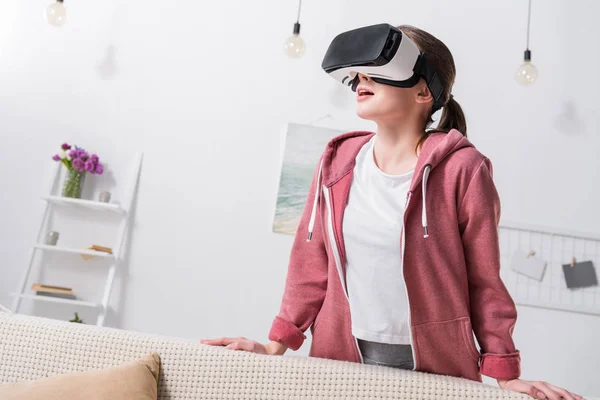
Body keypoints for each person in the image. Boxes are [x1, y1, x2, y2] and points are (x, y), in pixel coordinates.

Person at [203, 25, 582, 400]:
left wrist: (505, 372)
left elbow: (483, 280)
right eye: (360, 73)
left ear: (422, 91)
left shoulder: (462, 168)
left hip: (437, 368)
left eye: (380, 70)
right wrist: (276, 345)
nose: (363, 79)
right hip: (340, 360)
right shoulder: (337, 161)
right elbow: (311, 261)